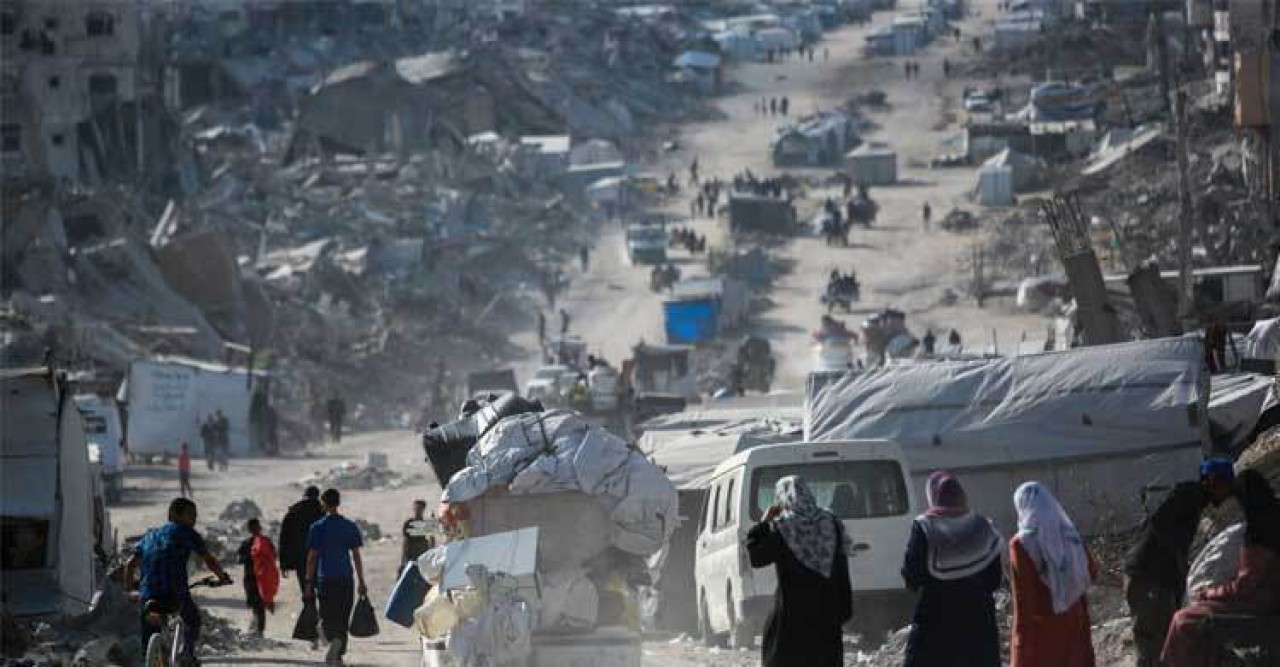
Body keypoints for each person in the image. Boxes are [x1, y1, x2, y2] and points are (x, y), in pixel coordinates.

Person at [1123, 459, 1237, 667]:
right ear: (1213, 481)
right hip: (1148, 579)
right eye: (1227, 486)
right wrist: (1182, 569)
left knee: (1159, 642)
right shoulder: (1189, 496)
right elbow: (1164, 531)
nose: (1228, 493)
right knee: (1155, 646)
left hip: (1147, 577)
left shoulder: (1192, 498)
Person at [1161, 469, 1280, 666]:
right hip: (1269, 598)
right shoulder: (1273, 521)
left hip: (1258, 603)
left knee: (1183, 620)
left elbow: (1244, 586)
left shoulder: (1259, 532)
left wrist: (1209, 593)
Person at [746, 476, 852, 667]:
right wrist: (844, 609)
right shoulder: (831, 523)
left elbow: (757, 558)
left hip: (791, 619)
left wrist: (764, 523)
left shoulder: (784, 527)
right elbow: (841, 568)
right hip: (826, 617)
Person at [902, 472, 1004, 667]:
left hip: (936, 623)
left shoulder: (925, 526)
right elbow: (994, 579)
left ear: (932, 496)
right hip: (979, 625)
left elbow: (912, 577)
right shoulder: (982, 525)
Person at [125, 498, 233, 664]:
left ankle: (149, 656)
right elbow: (209, 560)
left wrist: (130, 589)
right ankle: (186, 655)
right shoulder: (187, 533)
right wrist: (222, 577)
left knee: (148, 633)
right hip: (174, 592)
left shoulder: (150, 535)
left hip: (147, 593)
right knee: (193, 620)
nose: (194, 519)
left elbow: (130, 564)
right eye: (191, 515)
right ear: (174, 515)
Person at [1009, 482, 1099, 667]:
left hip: (1044, 630)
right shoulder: (1069, 534)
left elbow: (1024, 602)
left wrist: (1020, 651)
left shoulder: (1021, 545)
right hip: (1075, 620)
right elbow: (1091, 572)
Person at [305, 489, 367, 666]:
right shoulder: (349, 526)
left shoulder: (317, 527)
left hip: (325, 579)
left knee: (328, 615)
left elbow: (312, 557)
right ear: (338, 503)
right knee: (342, 617)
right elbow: (356, 555)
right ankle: (338, 653)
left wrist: (308, 582)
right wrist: (361, 581)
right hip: (345, 578)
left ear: (324, 504)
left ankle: (332, 641)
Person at [237, 518, 279, 637]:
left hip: (255, 577)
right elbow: (274, 556)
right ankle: (258, 628)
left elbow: (240, 559)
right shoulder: (262, 542)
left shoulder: (252, 543)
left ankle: (259, 629)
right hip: (258, 577)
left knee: (258, 604)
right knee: (258, 604)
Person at [403, 501, 435, 570]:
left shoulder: (426, 523)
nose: (417, 511)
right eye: (416, 508)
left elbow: (432, 540)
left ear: (423, 509)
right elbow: (406, 541)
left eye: (419, 509)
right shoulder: (409, 523)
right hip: (411, 551)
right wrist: (404, 558)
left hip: (422, 551)